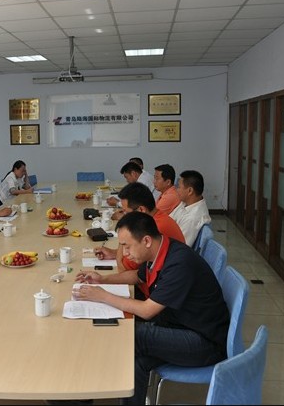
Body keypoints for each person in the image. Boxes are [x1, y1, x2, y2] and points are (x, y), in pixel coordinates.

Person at [74, 211, 229, 405]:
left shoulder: (179, 263)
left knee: (131, 334)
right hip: (178, 324)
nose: (125, 253)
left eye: (127, 246)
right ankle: (85, 394)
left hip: (204, 342)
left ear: (146, 240)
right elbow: (136, 276)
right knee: (136, 362)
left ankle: (82, 391)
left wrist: (103, 296)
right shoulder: (159, 250)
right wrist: (102, 279)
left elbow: (147, 311)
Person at [96, 182, 185, 272]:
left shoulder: (153, 228)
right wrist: (114, 253)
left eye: (126, 212)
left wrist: (119, 257)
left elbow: (125, 269)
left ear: (141, 210)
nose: (124, 215)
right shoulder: (158, 217)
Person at [169, 170, 212, 247]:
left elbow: (181, 246)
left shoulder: (193, 218)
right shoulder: (185, 203)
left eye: (179, 187)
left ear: (190, 191)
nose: (176, 190)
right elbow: (169, 220)